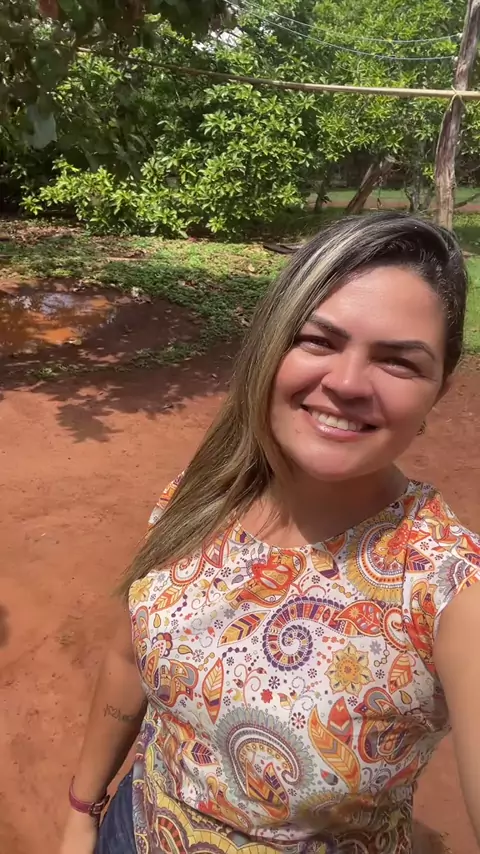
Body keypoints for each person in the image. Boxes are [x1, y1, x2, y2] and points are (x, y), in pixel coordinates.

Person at [61, 212, 480, 854]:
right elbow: (127, 657)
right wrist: (83, 809)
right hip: (131, 828)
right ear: (271, 347)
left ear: (438, 391)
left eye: (398, 361)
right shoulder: (200, 493)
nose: (346, 383)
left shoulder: (446, 584)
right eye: (318, 340)